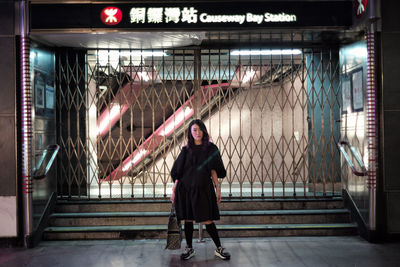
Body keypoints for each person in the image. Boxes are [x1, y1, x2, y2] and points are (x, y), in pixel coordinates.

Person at [170, 119, 231, 261]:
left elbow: (214, 171)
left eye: (199, 129)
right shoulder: (185, 150)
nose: (197, 133)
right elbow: (178, 172)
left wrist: (218, 189)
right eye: (194, 130)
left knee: (208, 219)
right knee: (188, 220)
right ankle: (189, 248)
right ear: (190, 133)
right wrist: (173, 191)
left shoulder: (211, 148)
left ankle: (219, 248)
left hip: (203, 189)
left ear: (204, 130)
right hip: (185, 190)